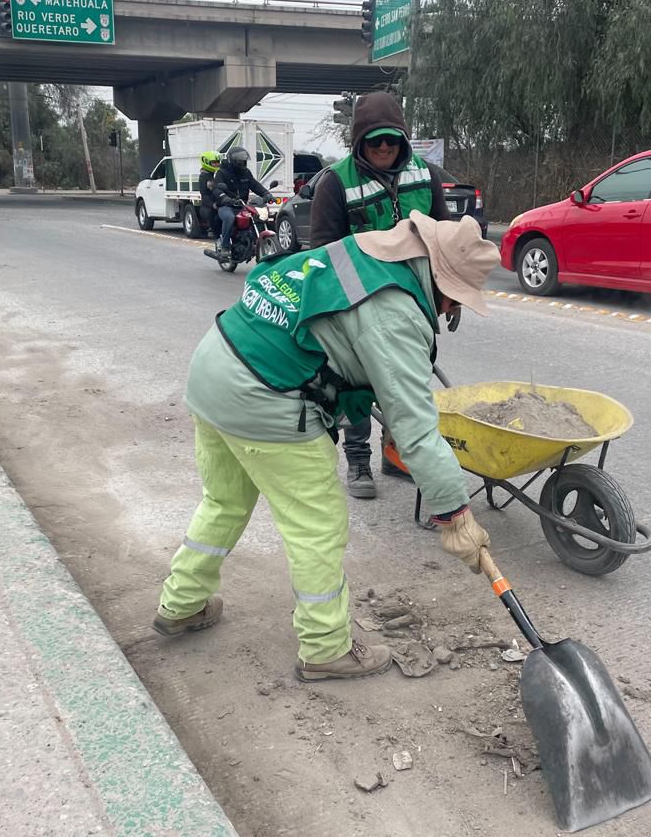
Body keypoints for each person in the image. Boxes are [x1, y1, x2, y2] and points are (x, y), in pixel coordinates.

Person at [153, 211, 500, 681]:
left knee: (224, 501)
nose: (447, 312)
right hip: (265, 393)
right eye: (453, 301)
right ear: (440, 280)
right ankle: (325, 648)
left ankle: (181, 604)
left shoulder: (369, 250)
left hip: (216, 364)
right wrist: (455, 515)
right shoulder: (393, 309)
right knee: (317, 527)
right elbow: (416, 430)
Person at [309, 92, 451, 499]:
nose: (384, 147)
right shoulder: (336, 183)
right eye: (375, 141)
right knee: (360, 385)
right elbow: (324, 253)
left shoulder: (425, 175)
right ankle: (357, 461)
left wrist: (448, 293)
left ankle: (396, 453)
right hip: (359, 305)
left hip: (414, 301)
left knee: (409, 380)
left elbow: (443, 237)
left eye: (391, 139)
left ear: (403, 139)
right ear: (359, 143)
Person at [210, 146, 275, 260]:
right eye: (239, 160)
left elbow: (255, 185)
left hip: (242, 205)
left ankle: (252, 241)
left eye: (243, 160)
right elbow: (217, 189)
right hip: (226, 205)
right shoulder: (222, 172)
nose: (242, 162)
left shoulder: (246, 173)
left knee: (258, 216)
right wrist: (225, 199)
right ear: (232, 160)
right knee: (229, 218)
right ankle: (225, 246)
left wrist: (266, 194)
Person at [197, 150, 222, 237]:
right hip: (208, 206)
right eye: (214, 163)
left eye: (218, 162)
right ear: (206, 162)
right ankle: (217, 235)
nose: (217, 164)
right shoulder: (204, 176)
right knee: (215, 218)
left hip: (220, 202)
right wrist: (213, 205)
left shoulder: (217, 174)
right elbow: (204, 195)